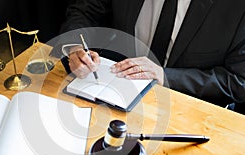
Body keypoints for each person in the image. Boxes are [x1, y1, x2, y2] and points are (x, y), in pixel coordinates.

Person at [58, 0, 245, 111]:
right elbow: (86, 10)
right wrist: (75, 47)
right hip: (113, 92)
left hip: (189, 109)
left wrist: (164, 76)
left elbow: (238, 81)